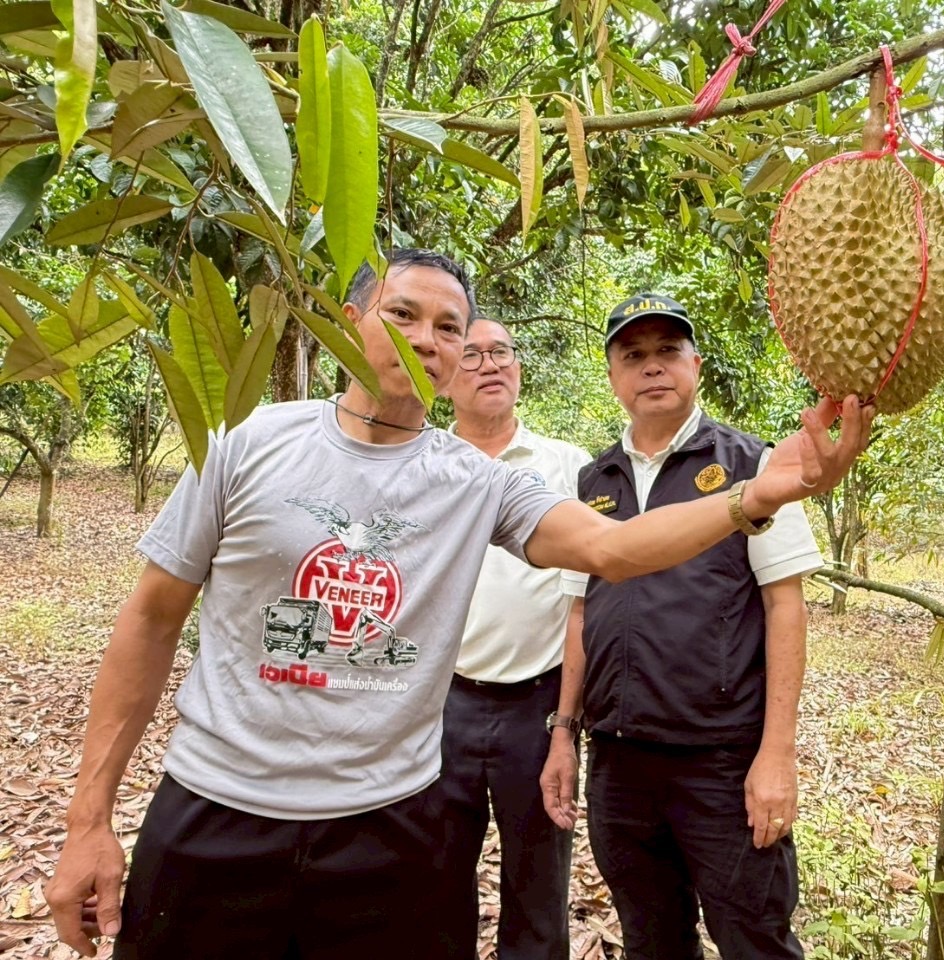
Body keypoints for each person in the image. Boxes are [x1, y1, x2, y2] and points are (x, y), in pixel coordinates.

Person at [46, 252, 873, 960]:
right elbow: (152, 619)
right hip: (215, 806)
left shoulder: (475, 482)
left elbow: (611, 549)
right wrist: (91, 819)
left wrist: (758, 495)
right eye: (401, 312)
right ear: (347, 319)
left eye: (448, 328)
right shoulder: (245, 441)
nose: (424, 341)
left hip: (391, 828)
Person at [542, 293, 832, 959]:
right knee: (652, 939)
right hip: (618, 760)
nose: (652, 367)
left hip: (721, 761)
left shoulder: (753, 466)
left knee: (754, 936)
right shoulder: (592, 482)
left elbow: (785, 605)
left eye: (668, 351)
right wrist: (564, 732)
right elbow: (580, 610)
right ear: (613, 377)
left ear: (696, 364)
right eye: (633, 355)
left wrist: (777, 754)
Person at [437, 317, 589, 959]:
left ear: (519, 367)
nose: (488, 364)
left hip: (539, 706)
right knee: (434, 871)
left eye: (501, 351)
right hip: (439, 702)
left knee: (539, 881)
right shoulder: (424, 461)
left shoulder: (569, 467)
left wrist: (565, 725)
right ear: (443, 378)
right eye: (469, 354)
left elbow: (586, 599)